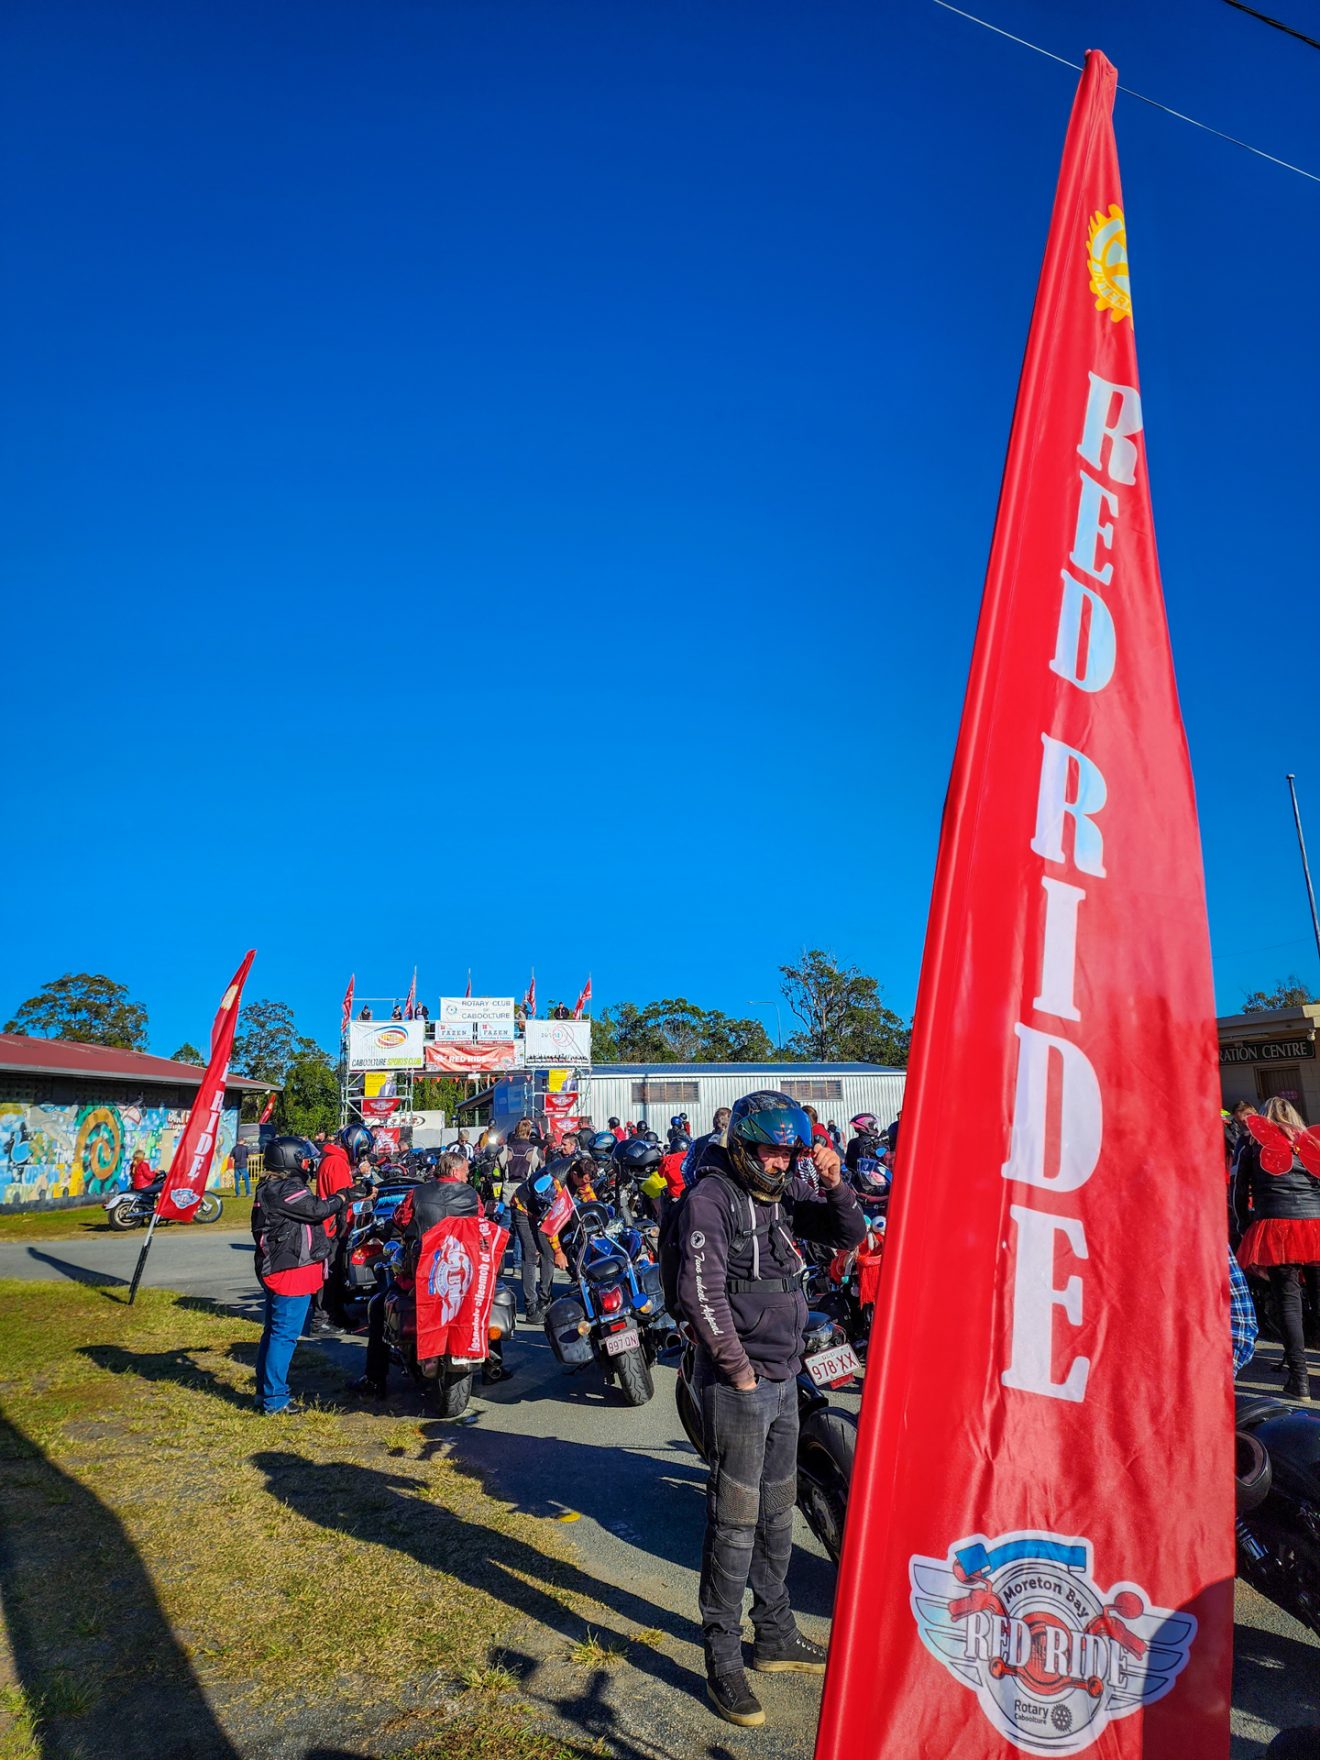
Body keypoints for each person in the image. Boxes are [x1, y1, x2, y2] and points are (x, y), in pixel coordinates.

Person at [676, 1091, 865, 1726]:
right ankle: (722, 1658)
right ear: (745, 1148)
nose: (782, 1163)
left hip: (787, 1377)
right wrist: (738, 1372)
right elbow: (700, 1294)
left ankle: (775, 1635)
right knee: (735, 1522)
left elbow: (848, 1233)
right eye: (772, 1152)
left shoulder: (782, 1199)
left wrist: (836, 1182)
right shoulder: (711, 1198)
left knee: (780, 1513)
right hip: (740, 1385)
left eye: (789, 1152)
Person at [349, 1151, 479, 1397]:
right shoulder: (472, 1195)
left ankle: (375, 1379)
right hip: (462, 1274)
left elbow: (400, 1219)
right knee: (484, 1299)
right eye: (465, 1171)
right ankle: (496, 1366)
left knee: (377, 1306)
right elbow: (481, 1223)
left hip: (424, 1273)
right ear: (454, 1172)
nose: (467, 1175)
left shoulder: (417, 1194)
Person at [251, 1136, 356, 1415]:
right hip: (289, 1271)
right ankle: (274, 1399)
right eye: (303, 1159)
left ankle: (266, 1393)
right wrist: (344, 1196)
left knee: (274, 1333)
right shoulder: (285, 1189)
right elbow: (316, 1210)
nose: (308, 1163)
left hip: (283, 1267)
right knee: (283, 1335)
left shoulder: (275, 1187)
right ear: (290, 1160)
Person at [1235, 1096, 1320, 1402]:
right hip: (1315, 1224)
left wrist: (1244, 1225)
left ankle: (1300, 1382)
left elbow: (1238, 1188)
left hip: (1276, 1224)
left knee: (1289, 1302)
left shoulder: (1252, 1142)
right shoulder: (1310, 1140)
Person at [683, 1106, 731, 1185]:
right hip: (729, 1189)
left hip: (702, 1189)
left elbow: (684, 1168)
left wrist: (693, 1185)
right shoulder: (735, 1142)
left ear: (714, 1122)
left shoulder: (697, 1142)